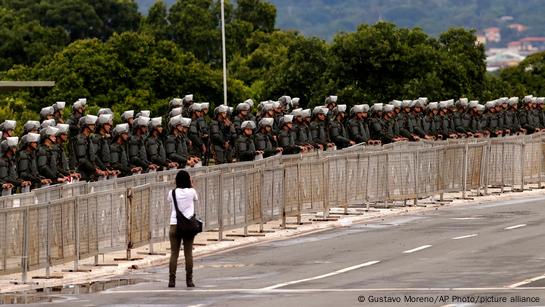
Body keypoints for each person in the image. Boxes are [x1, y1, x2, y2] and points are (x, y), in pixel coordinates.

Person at [167, 170, 199, 288]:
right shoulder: (192, 192)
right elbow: (196, 199)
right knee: (188, 254)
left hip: (174, 224)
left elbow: (169, 200)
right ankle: (189, 280)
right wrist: (191, 185)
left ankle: (172, 280)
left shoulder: (172, 192)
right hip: (188, 225)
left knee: (174, 253)